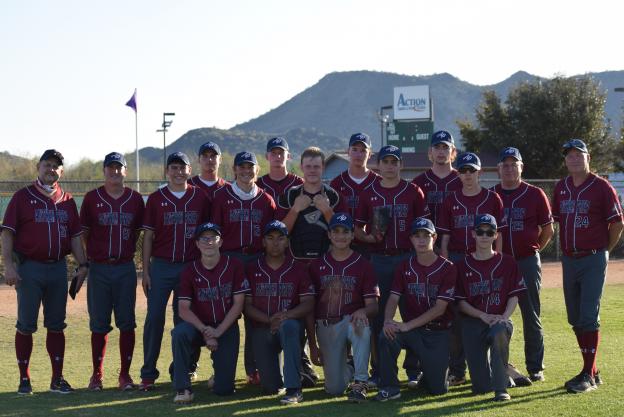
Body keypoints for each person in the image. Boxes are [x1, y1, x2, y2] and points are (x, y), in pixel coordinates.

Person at [1, 149, 89, 395]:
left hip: (58, 268)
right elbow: (7, 233)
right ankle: (24, 379)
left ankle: (57, 379)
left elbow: (74, 237)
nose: (51, 169)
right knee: (26, 325)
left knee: (56, 324)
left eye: (56, 166)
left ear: (61, 171)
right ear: (38, 167)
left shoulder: (68, 200)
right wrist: (8, 265)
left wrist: (83, 264)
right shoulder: (22, 197)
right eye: (47, 164)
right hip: (30, 267)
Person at [552, 139, 623, 393]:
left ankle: (587, 375)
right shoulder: (561, 187)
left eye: (578, 155)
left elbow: (617, 223)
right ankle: (592, 370)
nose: (573, 159)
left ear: (588, 157)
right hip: (570, 259)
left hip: (593, 257)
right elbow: (557, 221)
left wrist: (604, 250)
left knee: (588, 315)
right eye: (569, 155)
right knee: (575, 317)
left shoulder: (601, 187)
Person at [354, 145, 429, 387]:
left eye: (394, 162)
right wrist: (367, 238)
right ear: (378, 164)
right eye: (385, 161)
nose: (389, 166)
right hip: (380, 258)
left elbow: (425, 226)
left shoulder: (413, 191)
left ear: (400, 165)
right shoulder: (369, 192)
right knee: (377, 316)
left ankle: (414, 369)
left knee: (413, 311)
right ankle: (380, 370)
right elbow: (357, 227)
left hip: (408, 258)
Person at [139, 151, 211, 390]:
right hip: (162, 265)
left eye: (183, 168)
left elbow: (207, 234)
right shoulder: (157, 198)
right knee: (154, 318)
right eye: (174, 168)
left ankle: (182, 369)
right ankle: (148, 372)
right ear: (167, 171)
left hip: (190, 266)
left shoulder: (200, 198)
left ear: (190, 171)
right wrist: (146, 270)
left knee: (184, 320)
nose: (179, 172)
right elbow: (148, 236)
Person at [437, 151, 505, 386]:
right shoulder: (451, 199)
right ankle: (457, 368)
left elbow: (499, 235)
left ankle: (497, 363)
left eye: (471, 170)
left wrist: (499, 261)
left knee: (489, 309)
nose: (467, 175)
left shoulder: (492, 198)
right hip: (458, 259)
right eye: (463, 170)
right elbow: (444, 238)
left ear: (480, 172)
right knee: (457, 315)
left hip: (486, 260)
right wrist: (447, 266)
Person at [80, 152, 145, 391]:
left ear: (125, 171)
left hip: (125, 267)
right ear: (104, 170)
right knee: (99, 323)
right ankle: (97, 375)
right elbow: (84, 234)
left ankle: (125, 376)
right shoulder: (91, 198)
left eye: (119, 167)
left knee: (127, 322)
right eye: (111, 167)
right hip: (99, 268)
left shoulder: (135, 199)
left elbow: (137, 232)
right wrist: (91, 257)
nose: (115, 171)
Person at [211, 151, 276, 385]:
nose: (246, 171)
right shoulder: (221, 196)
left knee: (253, 316)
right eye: (242, 167)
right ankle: (219, 368)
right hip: (230, 260)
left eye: (251, 167)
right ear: (235, 169)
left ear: (257, 170)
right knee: (224, 314)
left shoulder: (266, 199)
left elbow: (271, 236)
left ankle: (253, 369)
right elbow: (215, 233)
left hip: (257, 260)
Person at [374, 217, 456, 401]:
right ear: (410, 239)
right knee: (386, 335)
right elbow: (393, 298)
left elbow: (440, 309)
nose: (421, 240)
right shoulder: (404, 266)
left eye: (425, 236)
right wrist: (388, 320)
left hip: (438, 332)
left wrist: (407, 325)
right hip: (414, 332)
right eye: (416, 236)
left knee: (437, 389)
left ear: (434, 238)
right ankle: (390, 387)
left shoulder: (448, 268)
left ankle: (429, 373)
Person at [493, 146, 553, 383]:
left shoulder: (535, 193)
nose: (509, 168)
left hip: (526, 260)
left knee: (531, 314)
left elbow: (548, 230)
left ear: (521, 167)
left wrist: (533, 248)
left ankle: (535, 366)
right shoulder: (491, 194)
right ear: (498, 169)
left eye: (513, 164)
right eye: (505, 165)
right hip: (498, 264)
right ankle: (499, 365)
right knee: (495, 314)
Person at [171, 222, 249, 404]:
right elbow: (183, 309)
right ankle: (183, 388)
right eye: (203, 239)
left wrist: (218, 332)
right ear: (197, 244)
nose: (209, 242)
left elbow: (239, 304)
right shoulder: (189, 270)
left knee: (224, 390)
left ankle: (219, 376)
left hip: (226, 327)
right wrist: (206, 331)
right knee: (179, 333)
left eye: (213, 237)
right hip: (198, 327)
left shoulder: (234, 265)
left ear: (220, 242)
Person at [307, 213, 379, 402]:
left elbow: (373, 306)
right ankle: (351, 366)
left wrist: (363, 310)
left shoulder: (363, 264)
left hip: (350, 320)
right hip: (327, 324)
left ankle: (361, 383)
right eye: (336, 231)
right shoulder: (316, 265)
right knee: (335, 388)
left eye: (345, 231)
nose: (341, 236)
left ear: (352, 235)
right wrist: (313, 345)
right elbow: (309, 308)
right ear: (329, 235)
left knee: (361, 325)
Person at [455, 214, 526, 401]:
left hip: (499, 320)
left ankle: (502, 388)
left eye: (489, 232)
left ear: (496, 235)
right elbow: (460, 302)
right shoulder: (462, 265)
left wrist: (504, 316)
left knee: (499, 332)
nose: (484, 236)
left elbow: (514, 295)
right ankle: (506, 376)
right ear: (473, 234)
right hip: (474, 322)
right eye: (480, 231)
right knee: (481, 387)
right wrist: (482, 315)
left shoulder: (508, 262)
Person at [244, 220, 315, 404]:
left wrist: (285, 316)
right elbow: (247, 306)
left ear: (287, 242)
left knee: (289, 327)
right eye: (270, 238)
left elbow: (308, 303)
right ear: (263, 242)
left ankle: (294, 389)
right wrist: (269, 319)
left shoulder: (298, 268)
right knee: (270, 387)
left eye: (280, 238)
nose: (275, 243)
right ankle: (289, 376)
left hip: (290, 326)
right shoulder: (251, 268)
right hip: (263, 328)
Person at [280, 147, 345, 260]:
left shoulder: (335, 197)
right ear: (301, 167)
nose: (312, 170)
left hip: (327, 262)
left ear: (323, 167)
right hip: (295, 262)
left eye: (316, 167)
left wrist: (327, 210)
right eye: (308, 166)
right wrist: (295, 210)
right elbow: (280, 233)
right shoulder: (290, 195)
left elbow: (343, 235)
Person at [330, 133, 379, 254]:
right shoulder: (336, 183)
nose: (358, 154)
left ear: (370, 154)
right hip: (342, 246)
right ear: (348, 151)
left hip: (373, 248)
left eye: (363, 150)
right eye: (355, 149)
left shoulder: (379, 182)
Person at [412, 130, 461, 229]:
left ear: (453, 151)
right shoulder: (419, 182)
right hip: (426, 239)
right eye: (437, 147)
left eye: (445, 147)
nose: (441, 152)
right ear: (430, 151)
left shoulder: (462, 179)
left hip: (456, 239)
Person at [257, 137, 303, 219]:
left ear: (288, 156)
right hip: (265, 230)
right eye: (273, 153)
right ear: (267, 156)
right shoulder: (258, 184)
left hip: (294, 231)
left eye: (281, 153)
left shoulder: (299, 183)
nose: (278, 156)